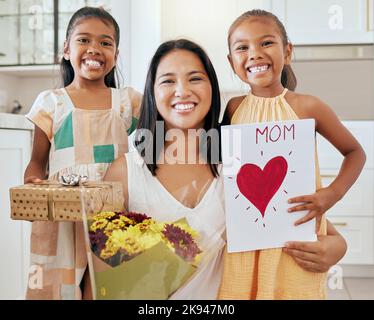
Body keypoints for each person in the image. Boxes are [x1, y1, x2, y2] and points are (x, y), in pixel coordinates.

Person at [103, 39, 348, 300]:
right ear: (152, 91)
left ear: (212, 88)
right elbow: (102, 278)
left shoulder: (242, 162)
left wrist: (338, 246)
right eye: (168, 81)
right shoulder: (125, 173)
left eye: (195, 78)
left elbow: (303, 220)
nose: (182, 91)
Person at [218, 9, 366, 299]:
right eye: (242, 47)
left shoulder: (308, 106)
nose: (255, 53)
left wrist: (331, 194)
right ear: (231, 62)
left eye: (266, 43)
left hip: (294, 242)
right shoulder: (233, 109)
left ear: (287, 51)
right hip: (247, 242)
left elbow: (355, 152)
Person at [23, 7, 142, 300]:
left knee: (108, 289)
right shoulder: (50, 103)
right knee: (55, 289)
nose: (95, 49)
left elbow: (157, 146)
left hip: (113, 214)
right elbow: (36, 165)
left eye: (106, 42)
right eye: (84, 40)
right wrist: (33, 193)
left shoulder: (128, 102)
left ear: (116, 54)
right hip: (61, 221)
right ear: (66, 49)